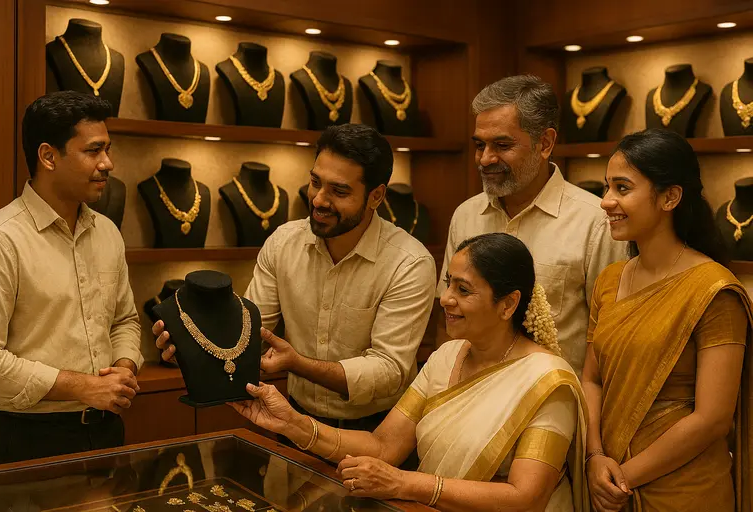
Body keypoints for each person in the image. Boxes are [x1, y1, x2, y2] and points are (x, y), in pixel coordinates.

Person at [229, 233, 590, 512]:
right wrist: (291, 423)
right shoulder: (447, 356)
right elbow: (383, 446)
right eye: (448, 283)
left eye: (463, 290)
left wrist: (404, 484)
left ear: (508, 303)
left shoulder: (548, 382)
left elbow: (526, 497)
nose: (445, 298)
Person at [155, 123, 436, 435]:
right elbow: (249, 335)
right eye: (315, 182)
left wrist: (297, 363)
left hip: (378, 432)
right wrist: (194, 347)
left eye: (339, 191)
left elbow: (388, 371)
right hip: (294, 421)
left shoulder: (409, 263)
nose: (318, 200)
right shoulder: (283, 243)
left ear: (376, 196)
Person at [583, 128, 753, 511]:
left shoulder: (713, 290)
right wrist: (594, 457)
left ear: (670, 197)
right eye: (607, 187)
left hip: (684, 492)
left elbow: (713, 419)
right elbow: (592, 378)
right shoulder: (610, 280)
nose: (606, 201)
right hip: (607, 478)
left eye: (622, 188)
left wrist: (623, 478)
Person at [0, 91, 143, 465]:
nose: (108, 163)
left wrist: (122, 370)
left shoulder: (107, 232)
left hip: (106, 428)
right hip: (26, 439)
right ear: (48, 156)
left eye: (107, 149)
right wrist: (84, 387)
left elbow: (124, 320)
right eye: (93, 150)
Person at [439, 75, 627, 376]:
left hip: (554, 397)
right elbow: (448, 319)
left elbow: (611, 337)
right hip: (472, 395)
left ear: (545, 143)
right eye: (480, 145)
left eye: (502, 145)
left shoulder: (595, 223)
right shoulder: (467, 215)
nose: (485, 159)